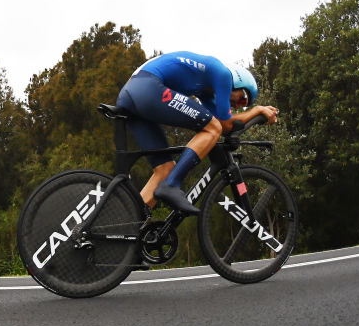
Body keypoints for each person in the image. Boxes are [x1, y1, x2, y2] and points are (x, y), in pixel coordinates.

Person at [116, 51, 279, 214]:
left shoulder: (205, 91)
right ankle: (171, 185)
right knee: (212, 127)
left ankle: (130, 224)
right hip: (146, 87)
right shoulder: (223, 75)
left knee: (165, 169)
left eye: (243, 105)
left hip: (132, 93)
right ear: (237, 81)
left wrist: (243, 118)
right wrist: (256, 110)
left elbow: (223, 123)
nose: (238, 105)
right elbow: (224, 125)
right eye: (243, 99)